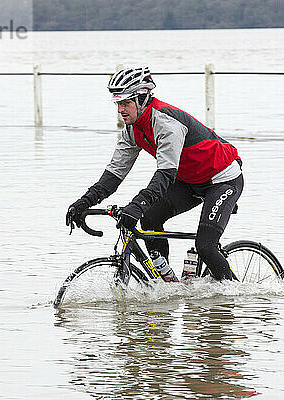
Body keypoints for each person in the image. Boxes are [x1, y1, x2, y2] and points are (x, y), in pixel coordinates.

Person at [65, 66, 243, 281]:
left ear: (141, 99)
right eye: (118, 103)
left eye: (126, 103)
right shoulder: (133, 129)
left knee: (205, 246)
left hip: (222, 179)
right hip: (188, 180)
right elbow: (114, 174)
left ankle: (235, 296)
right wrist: (84, 202)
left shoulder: (167, 123)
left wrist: (137, 204)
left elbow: (165, 173)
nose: (120, 110)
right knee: (150, 219)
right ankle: (167, 281)